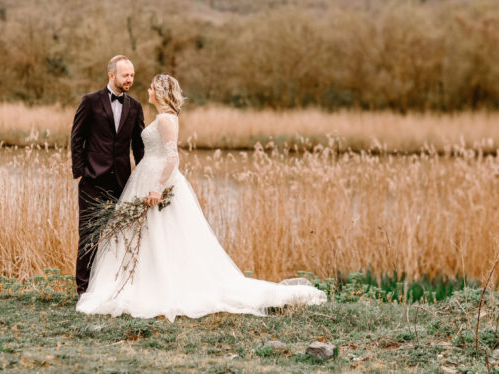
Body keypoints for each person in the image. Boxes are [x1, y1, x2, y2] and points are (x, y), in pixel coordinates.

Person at [76, 74, 326, 321]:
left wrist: (158, 188)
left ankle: (157, 286)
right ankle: (141, 280)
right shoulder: (164, 116)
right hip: (146, 177)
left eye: (152, 88)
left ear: (160, 92)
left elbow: (173, 158)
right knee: (148, 234)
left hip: (156, 181)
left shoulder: (165, 119)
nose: (148, 91)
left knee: (162, 234)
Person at [70, 55, 145, 296]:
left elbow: (139, 147)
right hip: (92, 180)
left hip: (123, 183)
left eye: (132, 75)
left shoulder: (135, 107)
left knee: (120, 237)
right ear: (111, 75)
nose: (129, 79)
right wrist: (81, 173)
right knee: (89, 236)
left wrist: (143, 179)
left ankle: (113, 288)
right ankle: (83, 290)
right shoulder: (90, 101)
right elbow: (76, 138)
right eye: (125, 75)